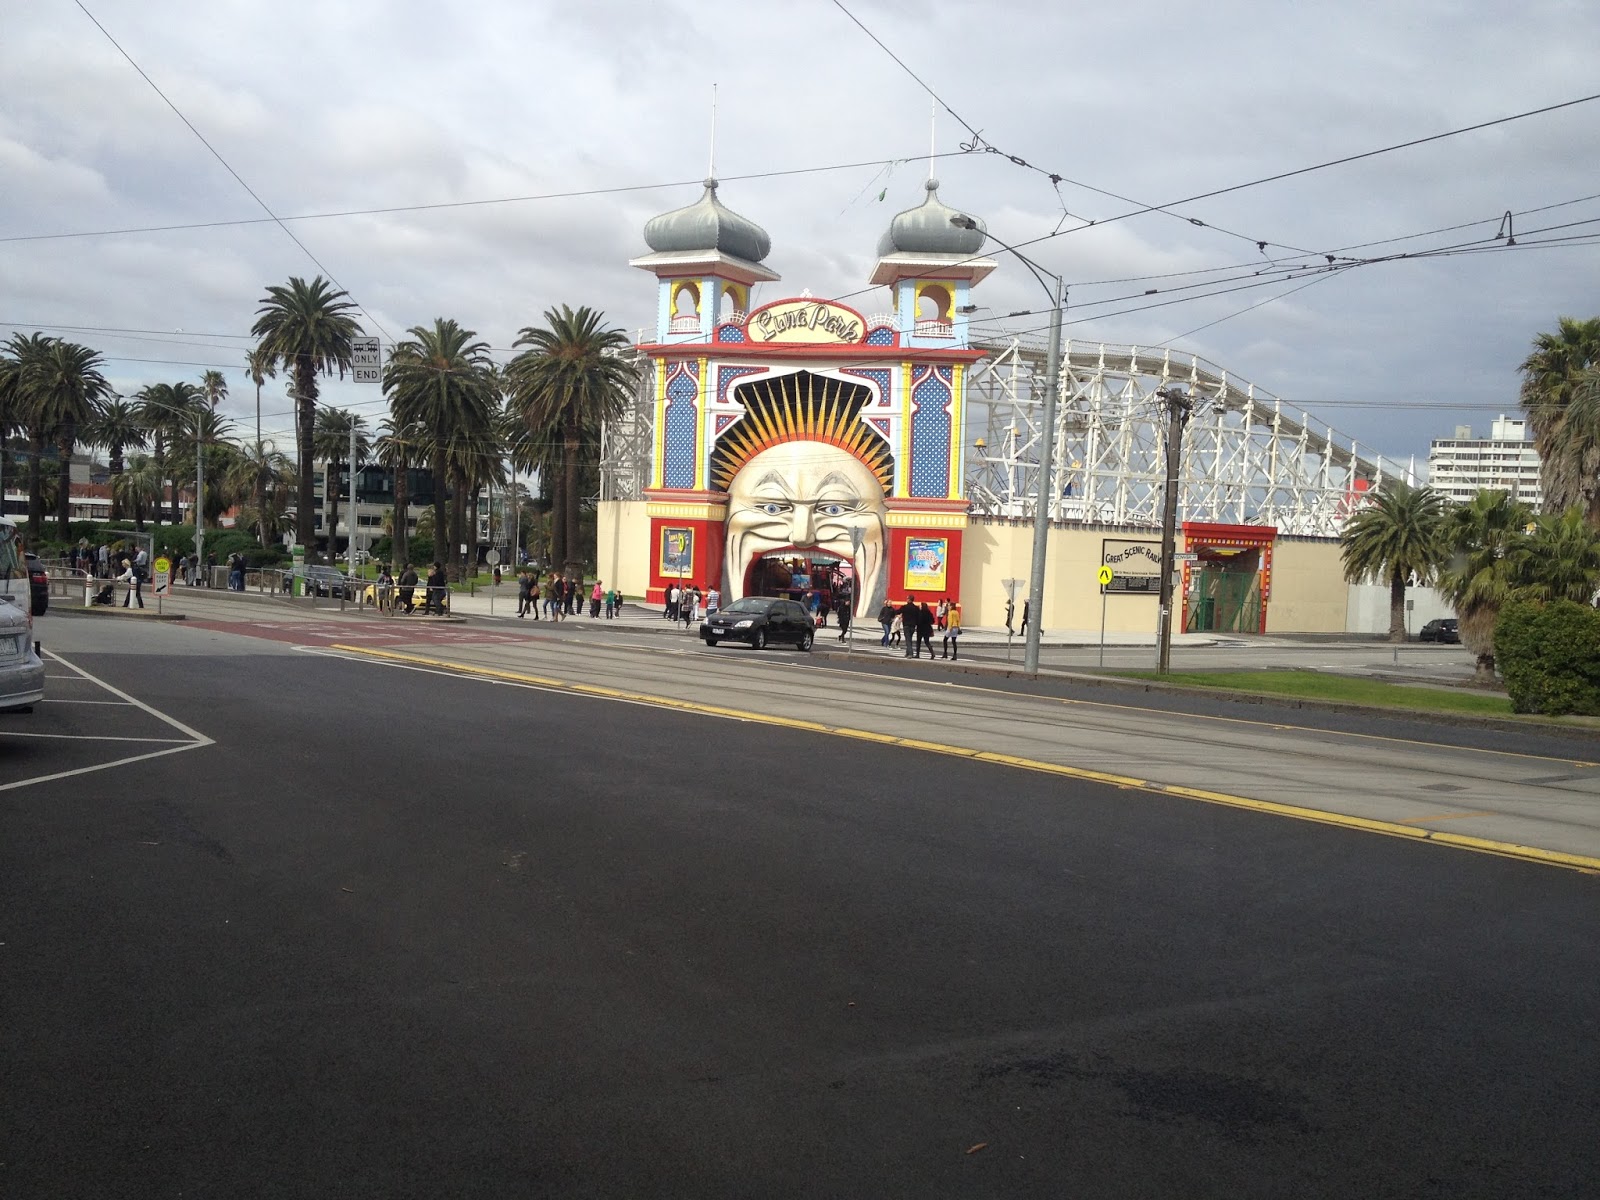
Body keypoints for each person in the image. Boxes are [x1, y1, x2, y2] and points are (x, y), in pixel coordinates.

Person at [899, 594, 920, 658]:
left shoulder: (904, 607)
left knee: (908, 640)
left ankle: (910, 653)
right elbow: (918, 617)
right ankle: (907, 652)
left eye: (907, 598)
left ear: (909, 600)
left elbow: (898, 611)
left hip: (906, 625)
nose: (906, 599)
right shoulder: (916, 608)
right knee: (909, 639)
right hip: (913, 626)